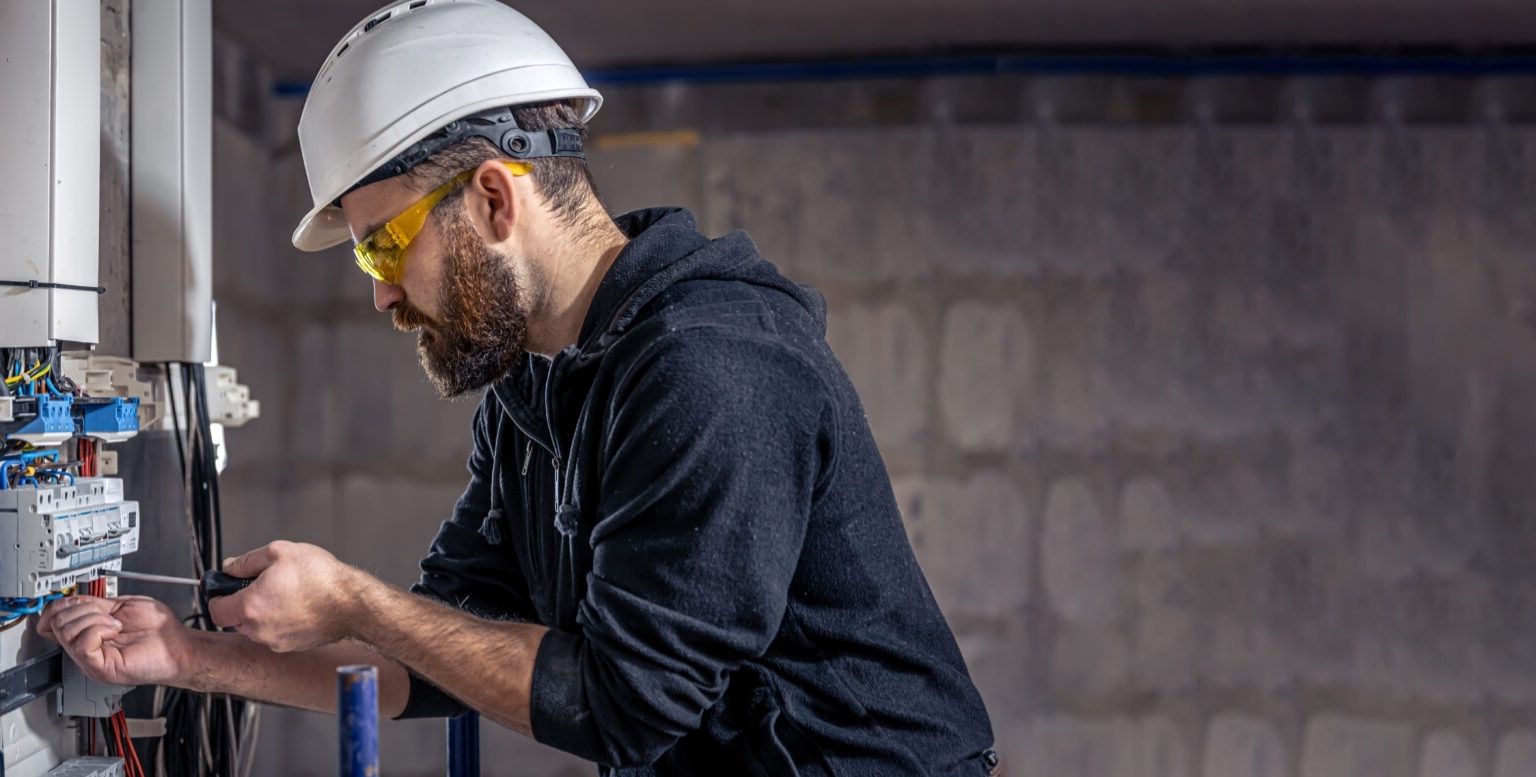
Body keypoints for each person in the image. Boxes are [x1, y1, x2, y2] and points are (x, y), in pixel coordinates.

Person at [40, 1, 997, 773]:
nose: (379, 291)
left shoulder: (713, 366)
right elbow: (437, 658)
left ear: (496, 198)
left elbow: (626, 706)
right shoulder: (533, 392)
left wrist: (357, 599)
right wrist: (190, 657)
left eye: (384, 241)